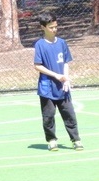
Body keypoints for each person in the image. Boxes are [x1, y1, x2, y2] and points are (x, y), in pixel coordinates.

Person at [33, 12, 83, 151]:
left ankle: (76, 139)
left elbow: (66, 62)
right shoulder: (40, 45)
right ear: (43, 27)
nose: (54, 29)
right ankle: (52, 140)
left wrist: (65, 78)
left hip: (62, 87)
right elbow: (37, 66)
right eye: (51, 27)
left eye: (55, 26)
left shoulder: (62, 43)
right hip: (47, 88)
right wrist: (56, 75)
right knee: (48, 116)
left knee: (69, 114)